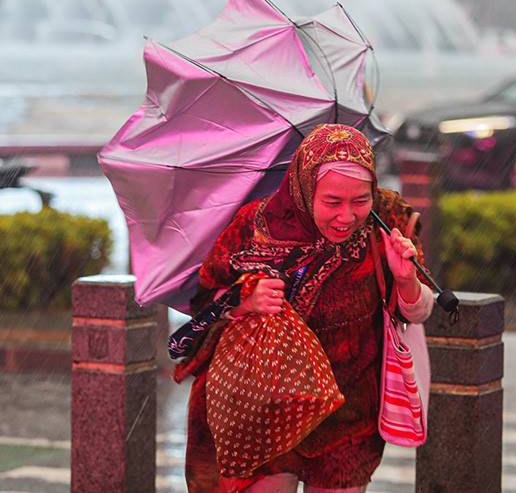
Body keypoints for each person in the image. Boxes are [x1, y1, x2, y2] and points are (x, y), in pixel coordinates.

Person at [173, 123, 435, 492]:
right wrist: (245, 300)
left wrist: (405, 278)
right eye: (332, 202)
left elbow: (418, 312)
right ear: (304, 186)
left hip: (348, 414)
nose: (347, 217)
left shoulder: (388, 222)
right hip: (266, 406)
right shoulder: (256, 224)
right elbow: (206, 300)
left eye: (360, 201)